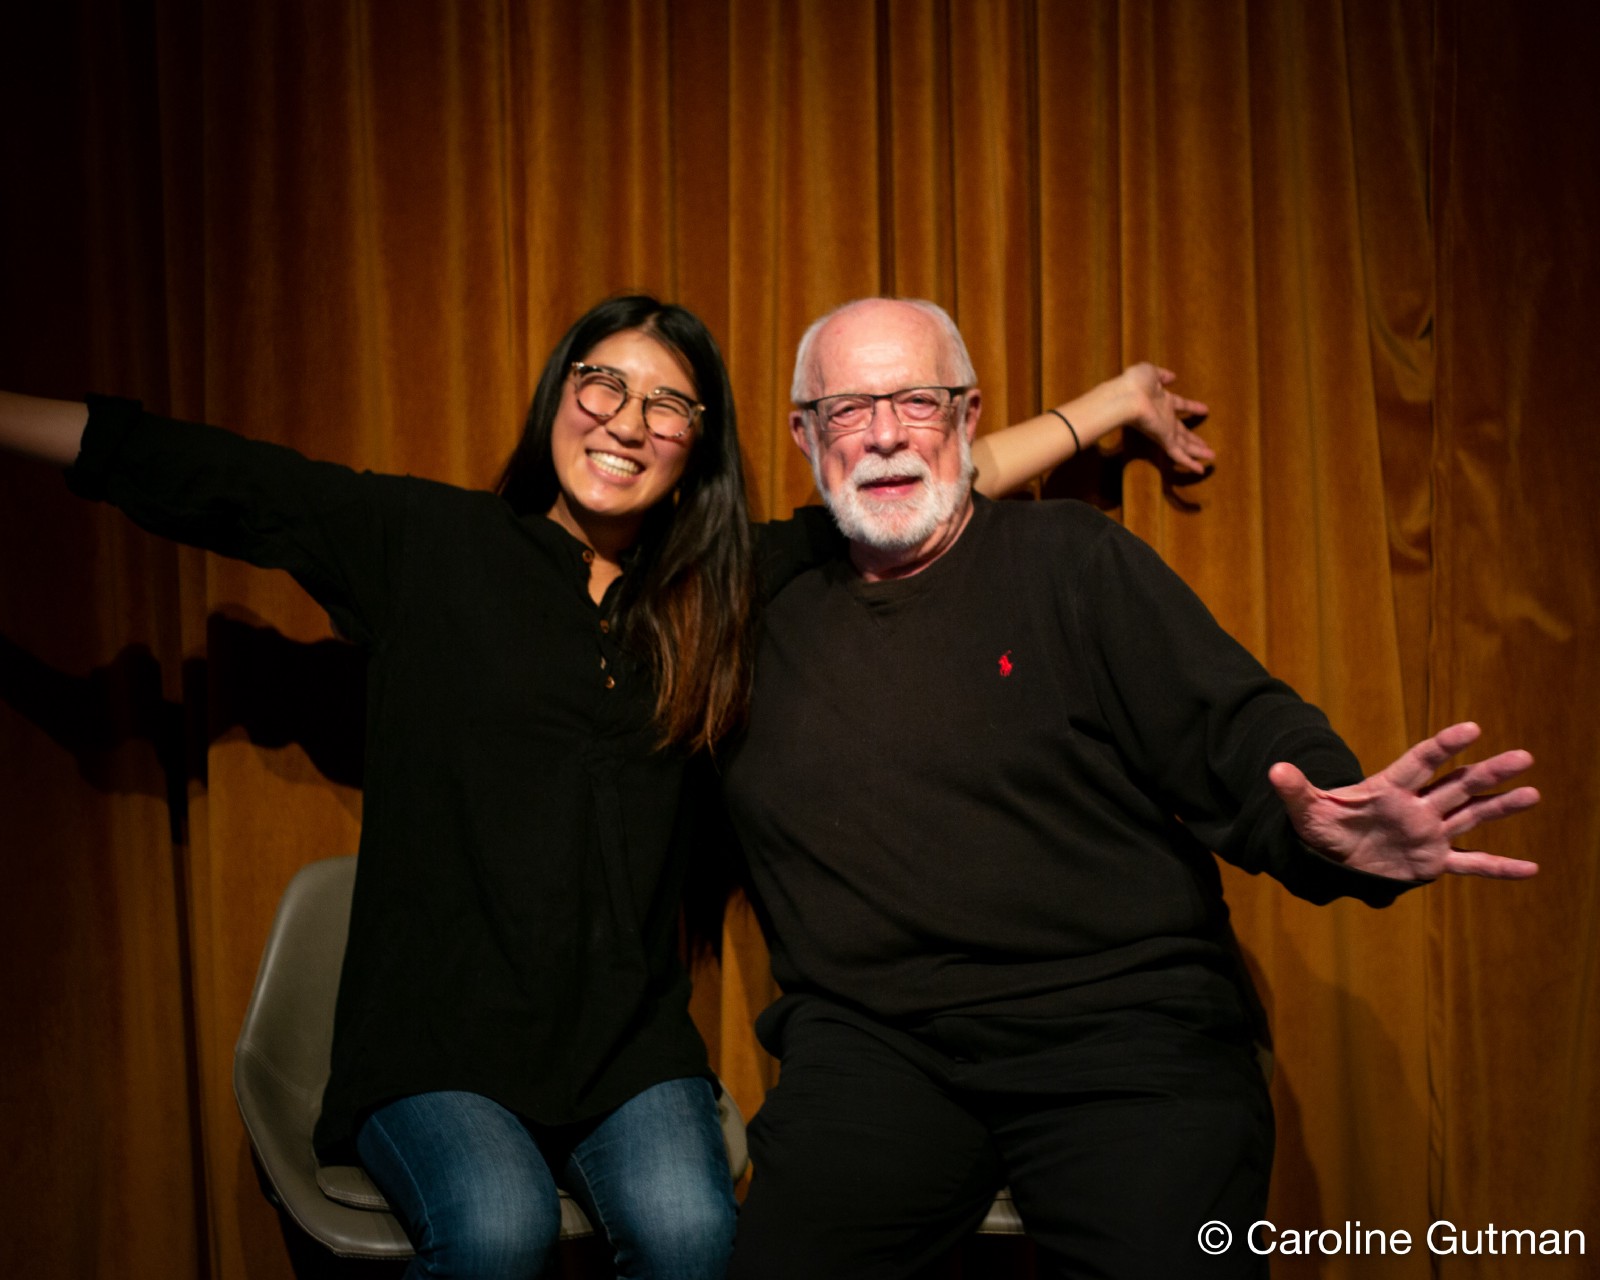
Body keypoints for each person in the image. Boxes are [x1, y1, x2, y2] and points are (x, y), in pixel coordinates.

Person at [0, 294, 1210, 1280]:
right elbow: (203, 473)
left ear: (700, 445)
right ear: (559, 395)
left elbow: (942, 469)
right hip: (439, 1044)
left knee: (699, 1239)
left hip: (630, 1053)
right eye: (603, 383)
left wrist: (1110, 401)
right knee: (495, 1233)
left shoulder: (723, 581)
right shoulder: (430, 545)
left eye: (669, 405)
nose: (627, 421)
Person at [718, 298, 1540, 1279]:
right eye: (849, 408)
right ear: (804, 434)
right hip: (878, 1048)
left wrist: (1330, 819)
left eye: (918, 401)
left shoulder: (1071, 561)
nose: (886, 432)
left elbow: (1240, 728)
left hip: (1124, 1035)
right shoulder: (754, 601)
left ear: (969, 416)